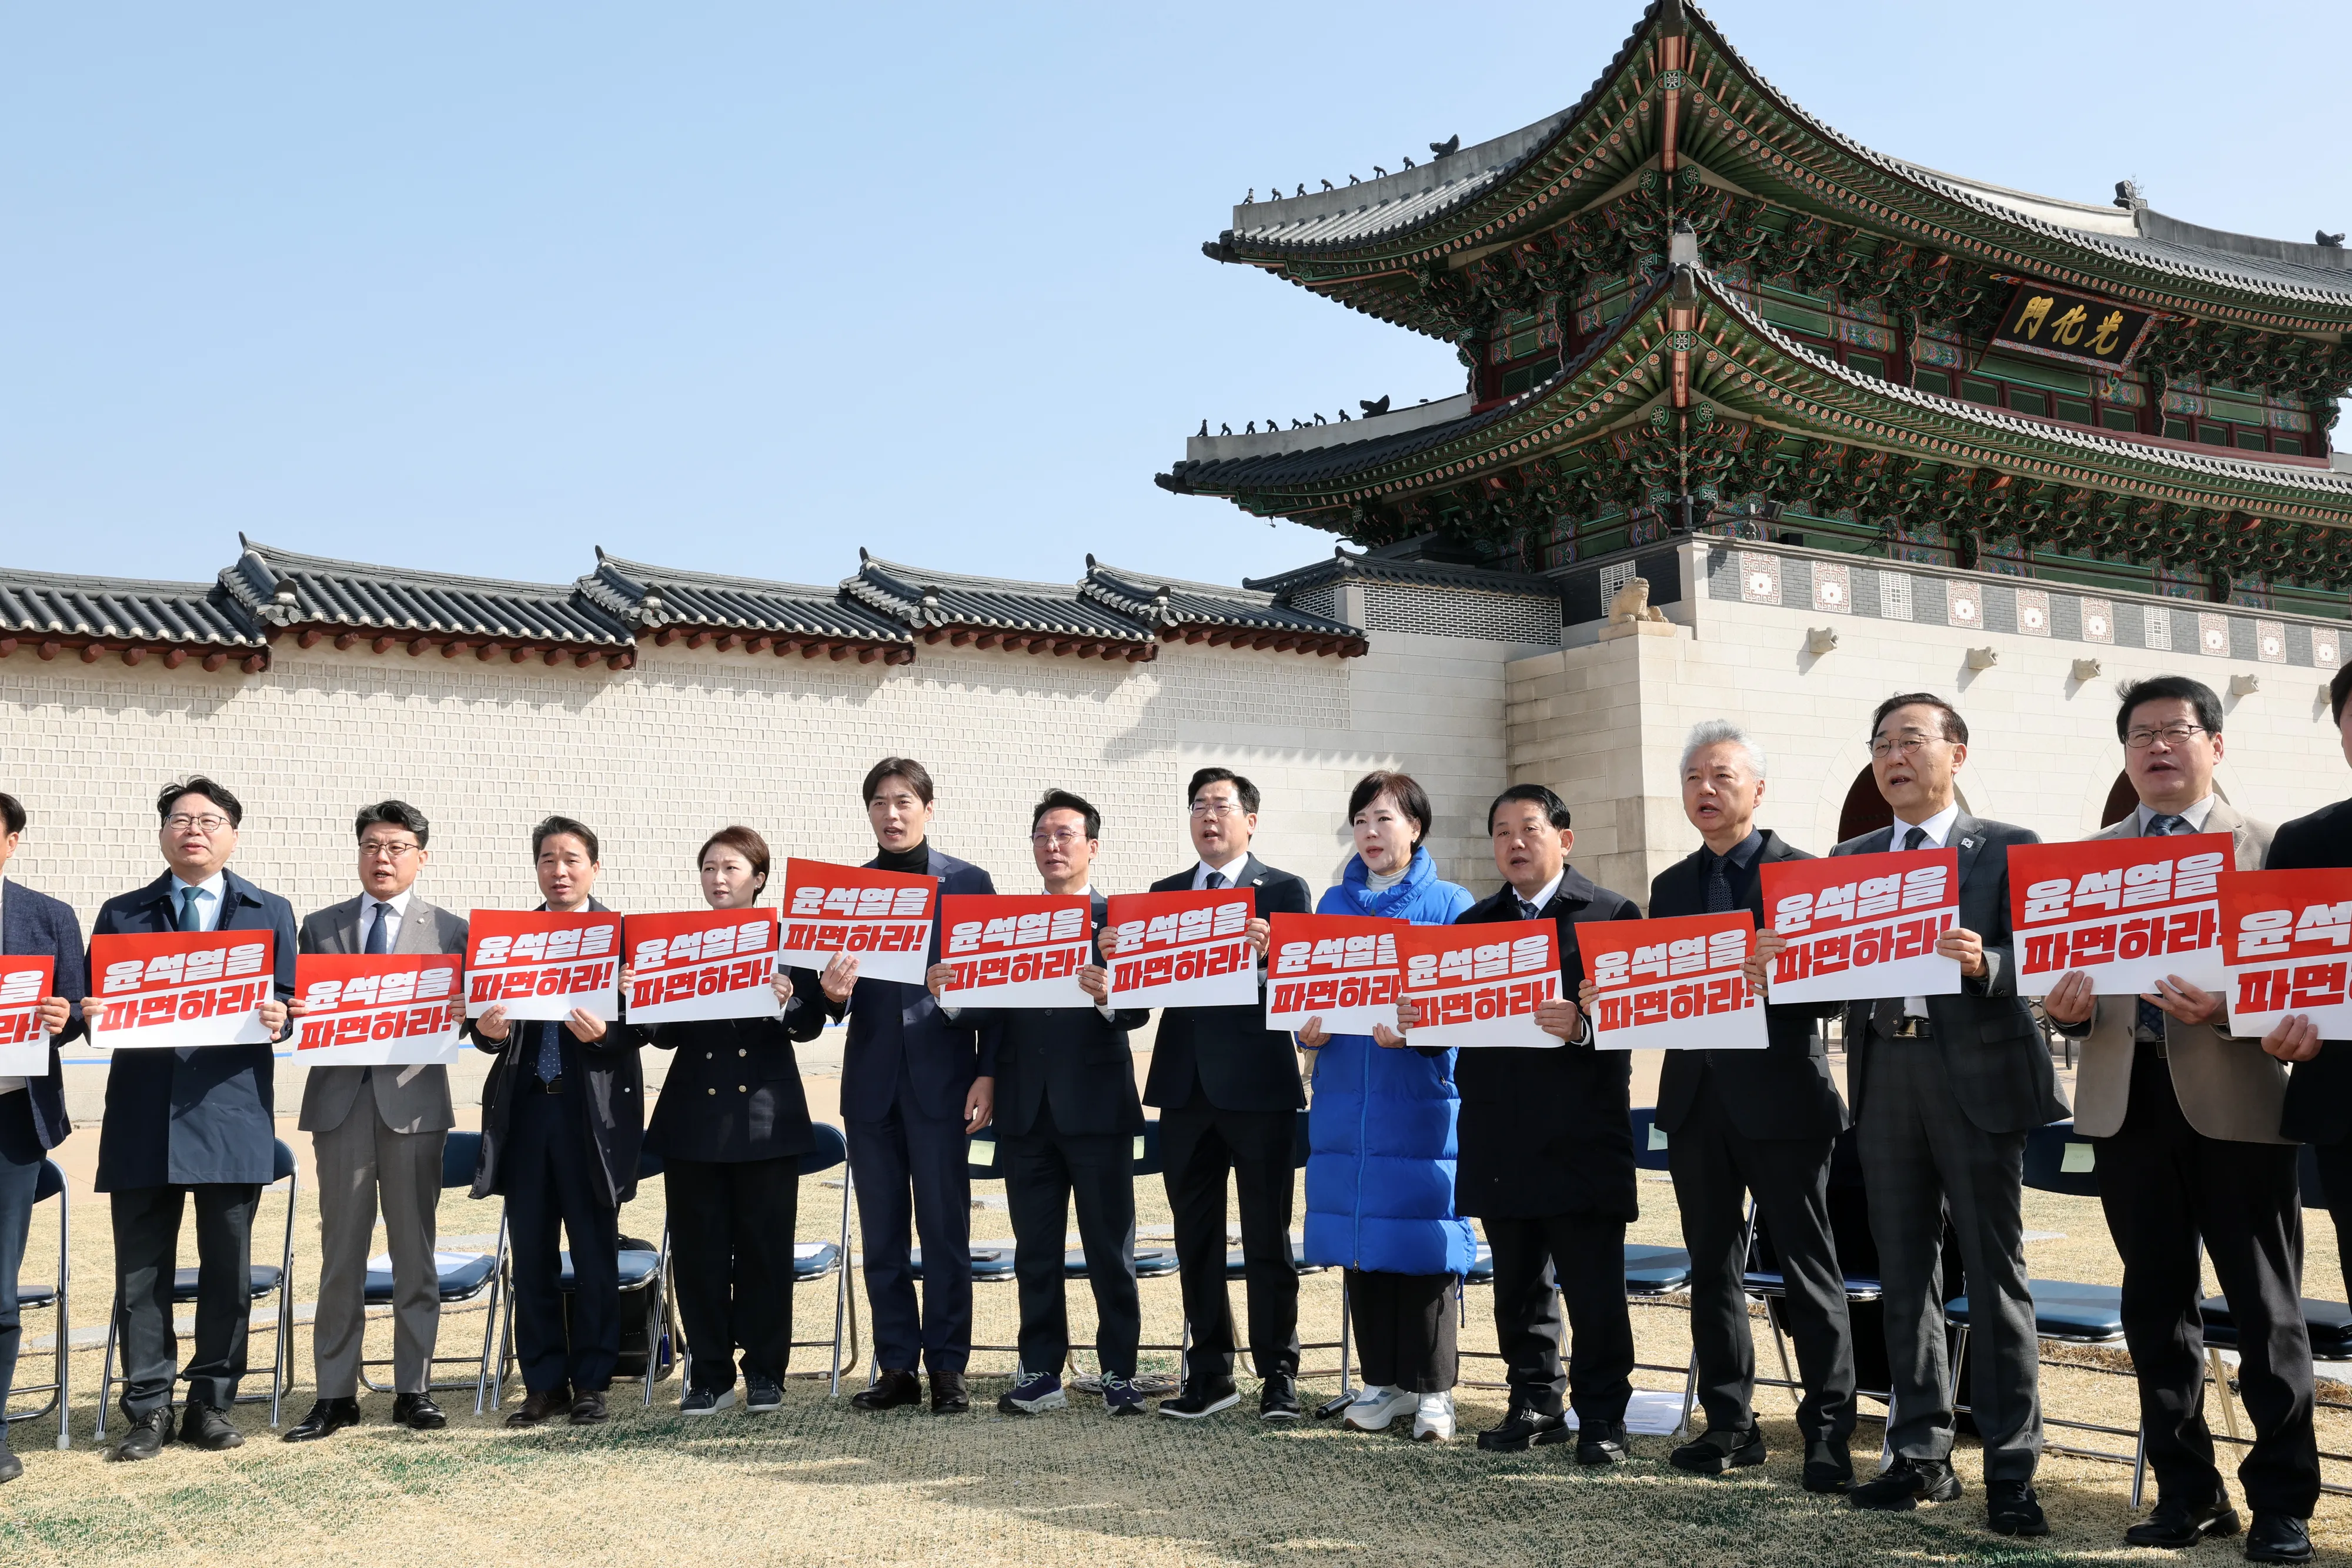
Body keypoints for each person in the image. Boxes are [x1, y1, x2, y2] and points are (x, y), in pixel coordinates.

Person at [1754, 693, 2064, 1534]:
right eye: (1882, 743)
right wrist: (1787, 958)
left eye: (1912, 740)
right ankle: (1919, 1451)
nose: (1895, 756)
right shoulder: (1849, 858)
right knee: (1903, 1270)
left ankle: (2012, 1468)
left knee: (1995, 1278)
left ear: (1956, 753)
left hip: (1978, 1076)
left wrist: (1987, 959)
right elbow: (1826, 979)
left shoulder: (2007, 847)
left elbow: (2051, 950)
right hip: (1885, 1069)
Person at [2040, 676, 2312, 1561]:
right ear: (2125, 753)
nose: (2159, 747)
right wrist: (2069, 1011)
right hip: (2125, 1102)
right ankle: (2188, 1492)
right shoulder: (2084, 861)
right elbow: (2066, 993)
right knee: (2155, 1307)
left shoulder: (2270, 846)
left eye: (2178, 730)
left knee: (2266, 1309)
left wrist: (2227, 1006)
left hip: (2234, 1099)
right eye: (2142, 734)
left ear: (2215, 744)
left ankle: (2282, 1501)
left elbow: (2300, 984)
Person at [1623, 723, 1855, 1491]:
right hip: (1695, 1101)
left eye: (1722, 775)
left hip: (1785, 1100)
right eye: (1693, 776)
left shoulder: (1806, 874)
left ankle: (1828, 1432)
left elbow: (1843, 991)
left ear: (1758, 787)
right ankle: (1730, 1423)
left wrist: (1785, 970)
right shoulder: (1671, 885)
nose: (1706, 789)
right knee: (1712, 1269)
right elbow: (1660, 996)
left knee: (1808, 1267)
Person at [84, 777, 296, 1460]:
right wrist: (91, 1014)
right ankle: (147, 1406)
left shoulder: (269, 911)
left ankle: (210, 1400)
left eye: (208, 820)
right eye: (180, 819)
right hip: (144, 1114)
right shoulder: (123, 914)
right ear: (163, 834)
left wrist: (281, 1016)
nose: (193, 830)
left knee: (227, 1268)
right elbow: (95, 1005)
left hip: (230, 1112)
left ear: (233, 834)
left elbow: (292, 1006)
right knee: (140, 1272)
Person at [927, 789, 1151, 1418]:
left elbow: (1138, 1010)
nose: (1052, 847)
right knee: (1035, 1250)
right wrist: (946, 993)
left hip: (1100, 1108)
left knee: (1112, 1249)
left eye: (1065, 835)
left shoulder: (1118, 919)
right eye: (1042, 836)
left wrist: (1110, 994)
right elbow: (986, 1009)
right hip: (1026, 1110)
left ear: (1092, 847)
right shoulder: (1009, 922)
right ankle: (1040, 1371)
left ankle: (1119, 1374)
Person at [1439, 783, 1642, 1463]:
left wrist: (1585, 1026)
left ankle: (1603, 1418)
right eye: (1501, 832)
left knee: (1593, 1288)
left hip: (1582, 1135)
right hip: (1500, 1130)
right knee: (1518, 1285)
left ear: (1565, 838)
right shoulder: (1472, 928)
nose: (1515, 844)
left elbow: (1648, 1015)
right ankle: (1533, 1400)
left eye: (1529, 829)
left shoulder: (1611, 913)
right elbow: (1452, 1019)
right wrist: (1414, 1023)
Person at [283, 800, 470, 1442]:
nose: (381, 857)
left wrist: (469, 1009)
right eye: (370, 845)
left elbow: (477, 1017)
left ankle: (413, 1388)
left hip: (415, 1108)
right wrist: (297, 1010)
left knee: (415, 1252)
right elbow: (294, 1008)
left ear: (421, 855)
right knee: (341, 1256)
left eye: (395, 846)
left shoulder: (452, 931)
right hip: (340, 1107)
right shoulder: (320, 927)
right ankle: (335, 1394)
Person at [1296, 771, 1474, 1443]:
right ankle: (1382, 1384)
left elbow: (1468, 1007)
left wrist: (1422, 1025)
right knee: (1360, 1241)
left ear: (1416, 828)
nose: (1371, 834)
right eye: (1362, 821)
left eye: (1385, 820)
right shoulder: (1328, 910)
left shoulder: (1450, 905)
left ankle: (1434, 1393)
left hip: (1420, 1101)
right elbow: (1302, 1002)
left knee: (1424, 1241)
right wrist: (1303, 1030)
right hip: (1345, 1102)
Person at [1138, 766, 1313, 1420]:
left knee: (1268, 1237)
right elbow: (1144, 992)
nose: (1208, 818)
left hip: (1259, 1088)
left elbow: (1306, 989)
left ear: (1250, 820)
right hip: (1184, 1091)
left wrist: (1273, 958)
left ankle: (1278, 1375)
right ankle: (1210, 1372)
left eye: (1221, 806)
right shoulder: (1163, 894)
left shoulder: (1286, 890)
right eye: (1197, 807)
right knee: (1197, 1238)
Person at [824, 758, 997, 1416]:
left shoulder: (969, 883)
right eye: (879, 803)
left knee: (946, 1230)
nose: (891, 815)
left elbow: (1000, 989)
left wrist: (989, 1070)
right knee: (883, 1232)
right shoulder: (846, 892)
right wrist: (831, 995)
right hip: (870, 1086)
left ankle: (948, 1366)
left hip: (946, 1081)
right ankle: (896, 1365)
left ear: (928, 806)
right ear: (867, 812)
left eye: (903, 801)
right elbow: (827, 998)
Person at [469, 815, 643, 1429]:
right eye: (548, 859)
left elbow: (645, 1027)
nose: (560, 870)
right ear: (536, 868)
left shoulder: (623, 938)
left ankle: (593, 1381)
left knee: (595, 1255)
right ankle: (543, 1382)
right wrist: (487, 1033)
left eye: (572, 859)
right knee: (533, 1256)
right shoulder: (508, 940)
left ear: (595, 867)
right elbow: (484, 1026)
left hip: (589, 1116)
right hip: (527, 1115)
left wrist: (609, 1033)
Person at [643, 825, 823, 1416]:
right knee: (699, 1256)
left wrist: (785, 1002)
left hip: (765, 1115)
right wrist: (639, 998)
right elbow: (665, 1037)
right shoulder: (677, 940)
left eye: (732, 869)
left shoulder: (786, 939)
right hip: (694, 1117)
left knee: (766, 1254)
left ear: (759, 878)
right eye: (710, 869)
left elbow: (811, 1022)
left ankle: (767, 1372)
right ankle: (709, 1374)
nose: (718, 880)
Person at [0, 793, 82, 1483]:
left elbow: (80, 1010)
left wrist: (63, 1015)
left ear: (12, 840)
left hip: (9, 1122)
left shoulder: (49, 917)